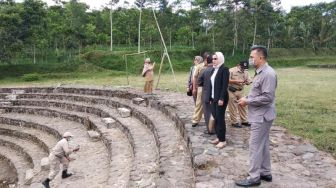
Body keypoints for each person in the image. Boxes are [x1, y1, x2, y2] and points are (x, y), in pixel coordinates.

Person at [236, 45, 277, 187]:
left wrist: (248, 100)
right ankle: (265, 172)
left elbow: (267, 97)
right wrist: (248, 97)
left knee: (254, 146)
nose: (250, 59)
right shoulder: (260, 72)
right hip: (260, 115)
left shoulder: (268, 74)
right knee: (263, 144)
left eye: (252, 57)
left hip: (262, 117)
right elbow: (258, 92)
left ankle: (254, 177)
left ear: (261, 57)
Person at [208, 52, 229, 149]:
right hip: (213, 98)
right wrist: (210, 98)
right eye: (213, 59)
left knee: (220, 119)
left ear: (220, 59)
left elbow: (224, 86)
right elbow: (211, 86)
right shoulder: (213, 70)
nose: (213, 60)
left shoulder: (224, 69)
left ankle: (223, 140)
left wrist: (221, 98)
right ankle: (218, 137)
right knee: (216, 118)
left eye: (215, 58)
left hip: (221, 98)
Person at [228, 60, 252, 128]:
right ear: (238, 65)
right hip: (231, 91)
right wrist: (236, 81)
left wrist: (248, 82)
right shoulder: (231, 71)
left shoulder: (246, 72)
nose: (243, 69)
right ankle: (234, 122)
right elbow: (226, 80)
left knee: (243, 106)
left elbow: (248, 81)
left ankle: (244, 120)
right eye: (242, 67)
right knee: (232, 107)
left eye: (245, 68)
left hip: (241, 91)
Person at [198, 54, 215, 134]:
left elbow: (199, 82)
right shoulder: (217, 70)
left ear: (206, 61)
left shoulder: (203, 70)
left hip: (206, 94)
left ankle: (210, 129)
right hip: (216, 94)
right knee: (216, 112)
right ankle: (216, 128)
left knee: (207, 112)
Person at [191, 55, 205, 127]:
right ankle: (195, 120)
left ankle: (210, 120)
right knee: (198, 104)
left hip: (211, 88)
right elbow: (194, 77)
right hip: (201, 87)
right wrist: (194, 88)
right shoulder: (199, 66)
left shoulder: (214, 66)